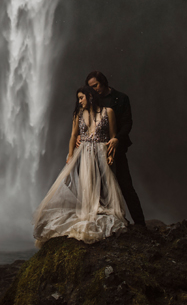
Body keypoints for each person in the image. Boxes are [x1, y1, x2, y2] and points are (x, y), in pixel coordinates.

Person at [32, 87, 127, 247]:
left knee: (105, 185)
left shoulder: (108, 111)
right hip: (84, 154)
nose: (79, 101)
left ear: (90, 97)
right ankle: (88, 210)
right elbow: (73, 135)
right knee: (86, 185)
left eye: (81, 98)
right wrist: (70, 155)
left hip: (102, 153)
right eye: (79, 98)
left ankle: (99, 210)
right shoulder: (78, 115)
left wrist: (111, 154)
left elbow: (112, 135)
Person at [85, 71, 146, 226]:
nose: (94, 89)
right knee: (98, 187)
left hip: (115, 149)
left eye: (96, 85)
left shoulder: (121, 98)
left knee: (125, 185)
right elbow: (83, 119)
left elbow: (127, 123)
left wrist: (117, 139)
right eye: (90, 87)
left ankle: (140, 224)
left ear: (103, 82)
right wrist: (79, 135)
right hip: (94, 150)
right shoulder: (91, 100)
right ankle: (107, 224)